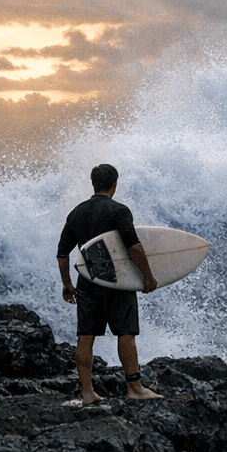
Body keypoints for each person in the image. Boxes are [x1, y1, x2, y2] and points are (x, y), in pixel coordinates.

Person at [56, 163, 162, 404]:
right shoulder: (119, 211)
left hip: (87, 281)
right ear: (114, 184)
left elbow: (62, 253)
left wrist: (67, 284)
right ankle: (134, 388)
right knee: (125, 332)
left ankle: (86, 393)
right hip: (116, 281)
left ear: (94, 184)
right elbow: (133, 246)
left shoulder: (76, 213)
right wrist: (147, 276)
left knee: (85, 335)